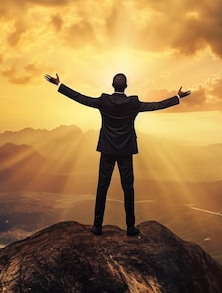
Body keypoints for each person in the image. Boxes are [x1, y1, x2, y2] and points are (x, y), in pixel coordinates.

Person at [44, 72, 191, 236]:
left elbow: (81, 98)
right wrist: (177, 97)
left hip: (107, 150)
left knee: (102, 187)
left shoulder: (103, 101)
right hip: (125, 151)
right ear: (126, 86)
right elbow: (156, 105)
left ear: (113, 86)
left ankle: (97, 226)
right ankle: (130, 227)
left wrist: (59, 85)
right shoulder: (133, 103)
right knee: (128, 188)